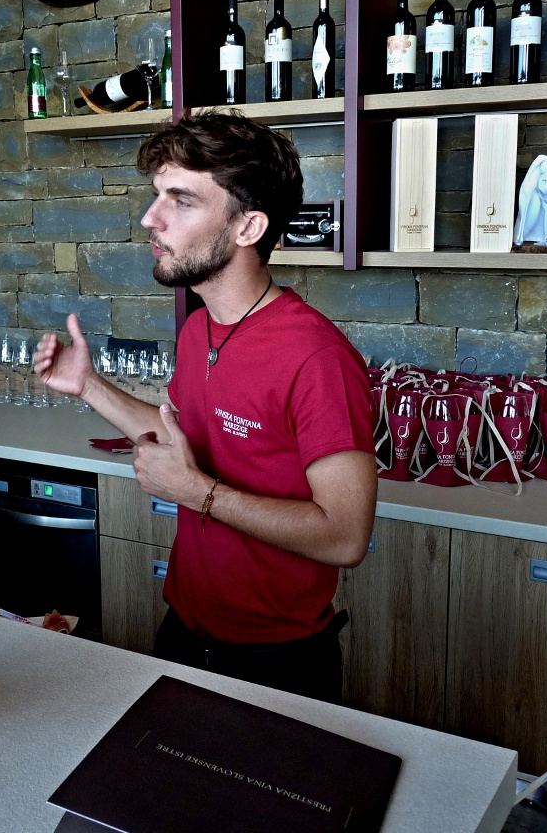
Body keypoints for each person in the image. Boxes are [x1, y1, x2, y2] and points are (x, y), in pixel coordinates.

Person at [33, 109, 376, 703]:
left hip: (278, 661)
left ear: (248, 228)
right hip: (184, 630)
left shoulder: (317, 358)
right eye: (157, 195)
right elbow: (181, 433)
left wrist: (197, 493)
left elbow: (345, 537)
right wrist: (88, 385)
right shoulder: (199, 329)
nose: (151, 217)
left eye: (181, 200)